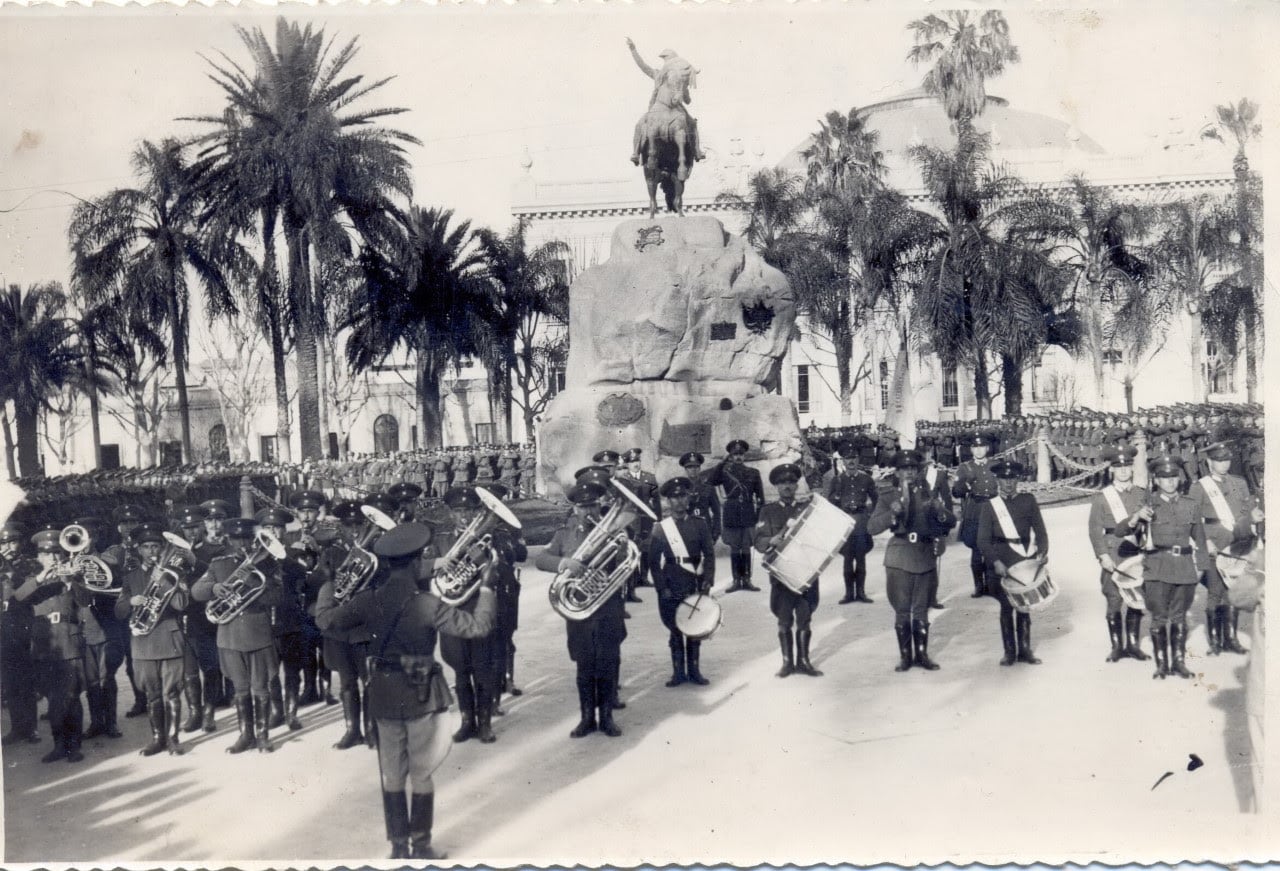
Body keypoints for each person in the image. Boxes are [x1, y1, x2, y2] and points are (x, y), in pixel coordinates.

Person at [316, 522, 498, 860]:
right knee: (422, 773)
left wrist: (329, 582)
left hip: (383, 692)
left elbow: (326, 621)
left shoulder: (368, 600)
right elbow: (478, 627)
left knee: (392, 773)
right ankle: (421, 845)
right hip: (420, 691)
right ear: (416, 563)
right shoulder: (427, 603)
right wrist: (486, 589)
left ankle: (398, 847)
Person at [536, 480, 626, 738]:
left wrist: (620, 551)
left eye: (592, 506)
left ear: (600, 506)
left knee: (608, 665)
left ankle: (607, 717)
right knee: (584, 667)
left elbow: (627, 565)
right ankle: (587, 718)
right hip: (579, 613)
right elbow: (542, 559)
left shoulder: (614, 532)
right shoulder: (564, 534)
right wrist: (564, 562)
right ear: (574, 509)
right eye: (582, 507)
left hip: (608, 609)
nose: (588, 512)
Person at [191, 517, 284, 753]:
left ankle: (262, 736)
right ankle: (246, 735)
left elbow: (278, 598)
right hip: (230, 635)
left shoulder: (268, 564)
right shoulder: (218, 563)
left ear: (253, 540)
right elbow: (197, 591)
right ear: (229, 540)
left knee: (261, 688)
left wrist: (252, 584)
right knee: (241, 688)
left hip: (258, 632)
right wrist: (215, 588)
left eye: (246, 539)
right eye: (236, 539)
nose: (241, 544)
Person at [867, 451, 956, 672]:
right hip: (900, 557)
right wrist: (892, 514)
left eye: (913, 469)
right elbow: (872, 527)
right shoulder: (888, 496)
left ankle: (922, 655)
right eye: (904, 469)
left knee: (921, 610)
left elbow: (950, 521)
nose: (909, 472)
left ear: (918, 471)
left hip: (925, 555)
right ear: (896, 472)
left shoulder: (927, 494)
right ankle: (905, 657)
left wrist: (940, 511)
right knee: (902, 609)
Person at [429, 487, 501, 745]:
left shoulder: (491, 537)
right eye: (458, 511)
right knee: (460, 670)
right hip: (452, 613)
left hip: (479, 609)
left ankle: (484, 724)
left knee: (483, 669)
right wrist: (438, 563)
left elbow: (508, 560)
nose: (464, 516)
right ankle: (467, 721)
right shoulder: (441, 541)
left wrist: (491, 566)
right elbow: (424, 572)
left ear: (476, 512)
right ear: (450, 514)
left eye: (468, 511)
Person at [13, 528, 90, 763]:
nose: (54, 559)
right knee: (53, 698)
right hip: (45, 645)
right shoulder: (30, 578)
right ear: (39, 557)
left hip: (69, 641)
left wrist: (73, 582)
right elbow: (18, 598)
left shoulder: (73, 575)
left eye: (57, 553)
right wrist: (40, 578)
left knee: (72, 696)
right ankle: (59, 745)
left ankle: (74, 746)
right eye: (48, 555)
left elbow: (86, 602)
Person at [115, 522, 191, 756]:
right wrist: (131, 602)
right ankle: (157, 738)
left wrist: (165, 580)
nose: (152, 551)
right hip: (143, 643)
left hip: (169, 640)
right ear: (139, 550)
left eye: (156, 546)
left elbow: (182, 605)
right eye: (146, 547)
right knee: (152, 694)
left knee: (172, 693)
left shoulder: (175, 574)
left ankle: (173, 739)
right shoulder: (130, 577)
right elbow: (118, 611)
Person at [1188, 441, 1264, 655]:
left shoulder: (1239, 483)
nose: (1224, 464)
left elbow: (1248, 509)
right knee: (1215, 591)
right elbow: (1193, 521)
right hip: (1213, 542)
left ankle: (1230, 638)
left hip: (1238, 542)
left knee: (1233, 591)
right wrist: (1204, 542)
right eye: (1219, 460)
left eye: (1227, 460)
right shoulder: (1199, 487)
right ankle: (1215, 641)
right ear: (1210, 462)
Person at [1140, 457, 1209, 679]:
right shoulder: (1147, 504)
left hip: (1184, 568)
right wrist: (1136, 517)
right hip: (1157, 567)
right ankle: (1162, 665)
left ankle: (1179, 663)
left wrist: (1202, 568)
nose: (1170, 483)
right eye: (1164, 478)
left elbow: (1200, 539)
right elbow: (1123, 531)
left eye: (1173, 478)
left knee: (1179, 616)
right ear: (1156, 480)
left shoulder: (1190, 505)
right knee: (1159, 617)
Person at [976, 460, 1050, 667]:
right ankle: (1009, 652)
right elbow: (982, 540)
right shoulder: (990, 506)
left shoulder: (1028, 500)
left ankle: (1025, 650)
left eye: (1012, 479)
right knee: (1007, 607)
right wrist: (995, 562)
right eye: (1003, 479)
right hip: (1002, 561)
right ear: (997, 480)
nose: (1008, 483)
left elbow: (1041, 532)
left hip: (1024, 558)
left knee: (1025, 605)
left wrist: (1042, 553)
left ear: (1018, 479)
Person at [754, 463, 822, 677]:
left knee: (805, 617)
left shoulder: (806, 510)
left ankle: (803, 660)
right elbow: (758, 540)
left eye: (791, 482)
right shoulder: (768, 511)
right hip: (782, 574)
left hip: (805, 572)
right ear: (776, 486)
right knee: (784, 619)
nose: (787, 486)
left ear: (796, 484)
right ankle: (787, 662)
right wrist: (770, 540)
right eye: (782, 483)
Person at [648, 476, 716, 687]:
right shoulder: (661, 528)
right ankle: (678, 672)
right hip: (671, 580)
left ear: (689, 499)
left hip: (694, 581)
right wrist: (661, 588)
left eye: (682, 496)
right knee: (675, 628)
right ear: (668, 501)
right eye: (674, 498)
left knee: (694, 626)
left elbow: (710, 555)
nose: (679, 501)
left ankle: (694, 671)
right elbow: (652, 562)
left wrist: (708, 580)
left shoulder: (700, 524)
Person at [1087, 446, 1151, 662]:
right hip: (1113, 551)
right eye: (1118, 467)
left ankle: (1133, 645)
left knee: (1136, 596)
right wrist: (1102, 555)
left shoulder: (1142, 494)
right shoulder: (1102, 497)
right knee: (1114, 597)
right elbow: (1095, 530)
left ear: (1132, 468)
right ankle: (1117, 647)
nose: (1123, 471)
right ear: (1112, 470)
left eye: (1127, 466)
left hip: (1136, 552)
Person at [626, 37, 706, 165]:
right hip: (657, 106)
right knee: (639, 125)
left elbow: (687, 100)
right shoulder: (658, 74)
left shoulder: (679, 77)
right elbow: (643, 66)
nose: (666, 62)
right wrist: (633, 50)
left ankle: (697, 151)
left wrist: (684, 92)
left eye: (667, 59)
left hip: (676, 108)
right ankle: (636, 153)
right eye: (665, 59)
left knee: (692, 124)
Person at [1, 522, 41, 746]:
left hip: (23, 626)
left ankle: (31, 728)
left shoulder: (28, 565)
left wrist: (10, 569)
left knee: (27, 681)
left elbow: (24, 594)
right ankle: (17, 727)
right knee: (9, 681)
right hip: (3, 629)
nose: (9, 546)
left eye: (13, 541)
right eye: (4, 542)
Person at [827, 438, 878, 605]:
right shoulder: (837, 480)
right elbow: (830, 504)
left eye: (854, 458)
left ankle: (861, 592)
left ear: (858, 459)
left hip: (861, 522)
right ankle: (849, 593)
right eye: (848, 458)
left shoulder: (866, 479)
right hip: (845, 523)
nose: (851, 461)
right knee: (847, 559)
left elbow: (877, 501)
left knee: (861, 558)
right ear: (843, 461)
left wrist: (869, 516)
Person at [709, 440, 765, 592]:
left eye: (741, 454)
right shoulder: (725, 473)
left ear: (744, 456)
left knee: (746, 546)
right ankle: (736, 580)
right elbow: (711, 480)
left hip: (748, 513)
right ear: (731, 456)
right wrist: (721, 463)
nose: (738, 457)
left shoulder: (754, 473)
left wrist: (759, 518)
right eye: (735, 454)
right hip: (732, 512)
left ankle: (747, 579)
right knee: (734, 547)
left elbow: (760, 497)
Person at [952, 434, 999, 598]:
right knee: (977, 550)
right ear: (971, 449)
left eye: (982, 447)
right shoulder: (965, 468)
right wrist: (965, 483)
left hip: (993, 509)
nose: (979, 450)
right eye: (975, 447)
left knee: (993, 548)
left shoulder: (995, 464)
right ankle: (979, 586)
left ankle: (992, 585)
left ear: (987, 448)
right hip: (975, 511)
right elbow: (956, 492)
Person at [679, 452, 721, 542]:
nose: (693, 470)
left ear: (699, 468)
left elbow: (717, 512)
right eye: (690, 467)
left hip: (705, 530)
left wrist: (715, 533)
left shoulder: (708, 488)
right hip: (686, 531)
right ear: (685, 469)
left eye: (696, 467)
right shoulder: (680, 488)